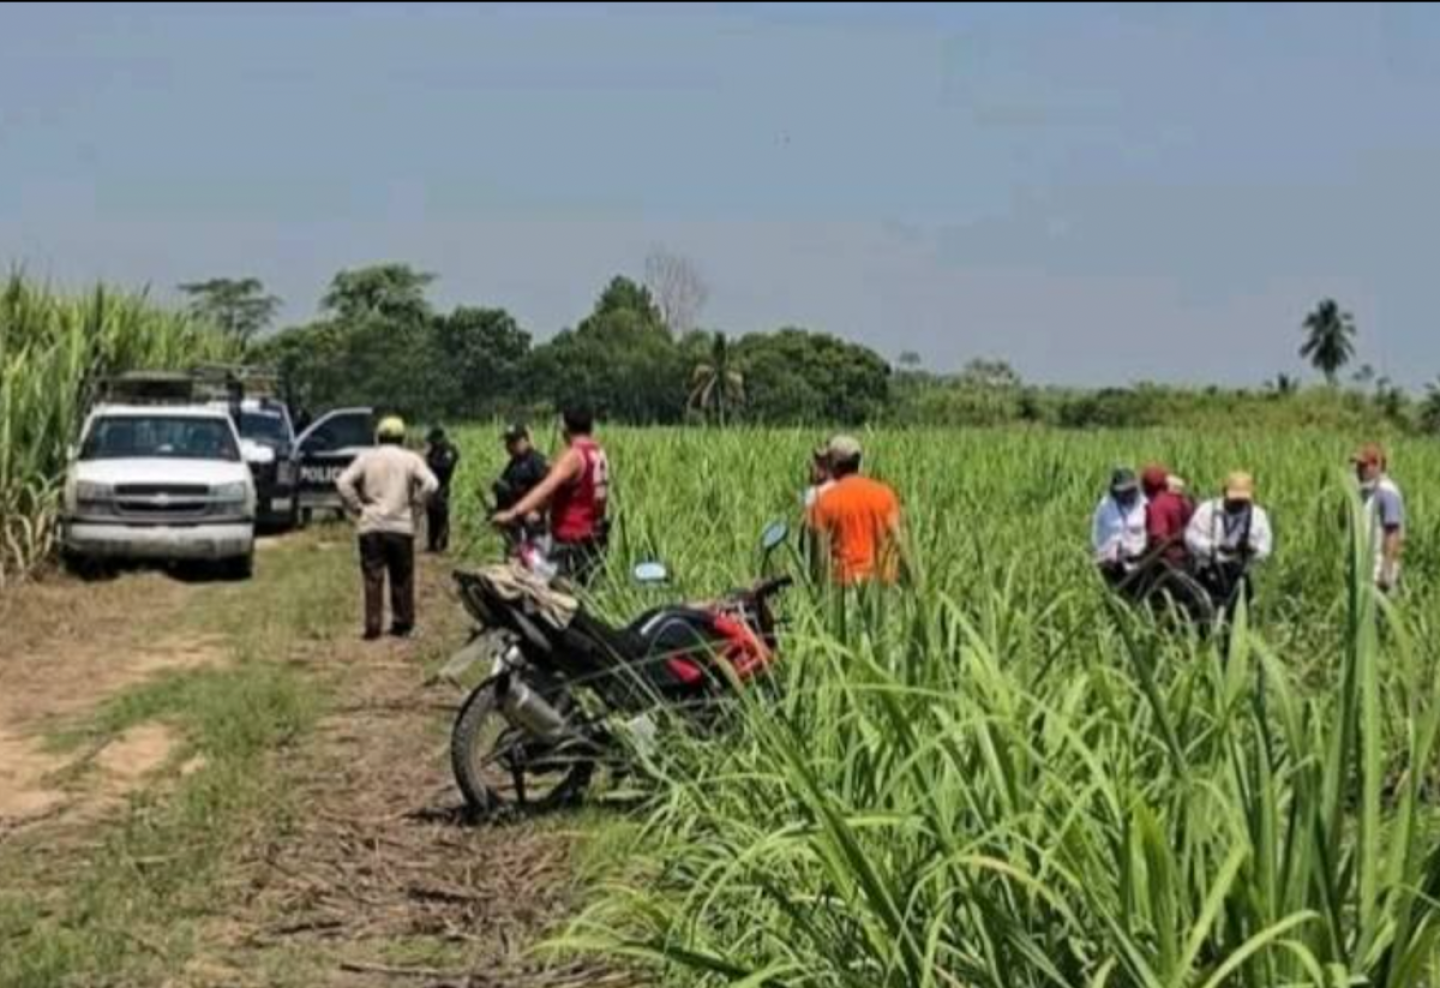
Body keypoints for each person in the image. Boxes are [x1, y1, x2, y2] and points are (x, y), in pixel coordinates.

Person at [337, 416, 439, 640]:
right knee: (402, 577)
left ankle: (373, 624)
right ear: (402, 437)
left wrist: (357, 507)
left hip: (371, 524)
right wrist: (417, 504)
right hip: (401, 525)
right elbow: (432, 483)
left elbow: (343, 482)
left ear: (378, 436)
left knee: (373, 576)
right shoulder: (410, 459)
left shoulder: (366, 458)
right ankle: (402, 622)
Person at [492, 407, 609, 584]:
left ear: (566, 428)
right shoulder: (598, 452)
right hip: (593, 534)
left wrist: (513, 513)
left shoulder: (574, 455)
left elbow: (547, 486)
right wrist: (540, 510)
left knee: (554, 590)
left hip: (571, 537)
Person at [806, 435, 904, 587]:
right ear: (859, 464)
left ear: (833, 465)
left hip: (846, 589)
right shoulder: (886, 495)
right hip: (882, 589)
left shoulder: (822, 503)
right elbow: (899, 543)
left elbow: (820, 564)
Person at [1186, 471, 1273, 617]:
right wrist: (1214, 547)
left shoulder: (1258, 516)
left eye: (1242, 501)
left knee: (1238, 620)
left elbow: (1266, 548)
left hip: (1240, 578)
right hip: (1209, 575)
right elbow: (1191, 538)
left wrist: (1252, 550)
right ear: (1224, 492)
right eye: (1234, 500)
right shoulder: (1207, 510)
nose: (1238, 504)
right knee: (1205, 617)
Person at [1353, 444, 1405, 593]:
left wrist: (1386, 570)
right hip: (1365, 568)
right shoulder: (1365, 492)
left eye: (1363, 465)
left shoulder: (1387, 492)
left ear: (1376, 466)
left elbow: (1392, 531)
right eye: (1358, 465)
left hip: (1379, 571)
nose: (1358, 470)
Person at [1091, 467, 1148, 592]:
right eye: (1124, 491)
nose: (1128, 494)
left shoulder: (1144, 503)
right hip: (1112, 563)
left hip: (1139, 562)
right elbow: (1096, 533)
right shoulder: (1105, 506)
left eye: (1131, 490)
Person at [493, 423, 550, 545]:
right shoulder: (513, 463)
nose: (508, 446)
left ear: (525, 441)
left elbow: (548, 489)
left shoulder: (536, 461)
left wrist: (538, 510)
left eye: (513, 441)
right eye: (507, 442)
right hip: (515, 523)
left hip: (532, 524)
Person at [1142, 463, 1194, 569]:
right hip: (1188, 553)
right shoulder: (1181, 500)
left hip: (1169, 561)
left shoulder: (1156, 506)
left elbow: (1158, 540)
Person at [423, 426, 461, 553]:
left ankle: (442, 543)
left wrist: (431, 463)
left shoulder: (449, 450)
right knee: (431, 513)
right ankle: (432, 543)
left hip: (442, 485)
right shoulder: (434, 450)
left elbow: (446, 466)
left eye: (433, 441)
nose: (431, 443)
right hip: (432, 485)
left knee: (441, 515)